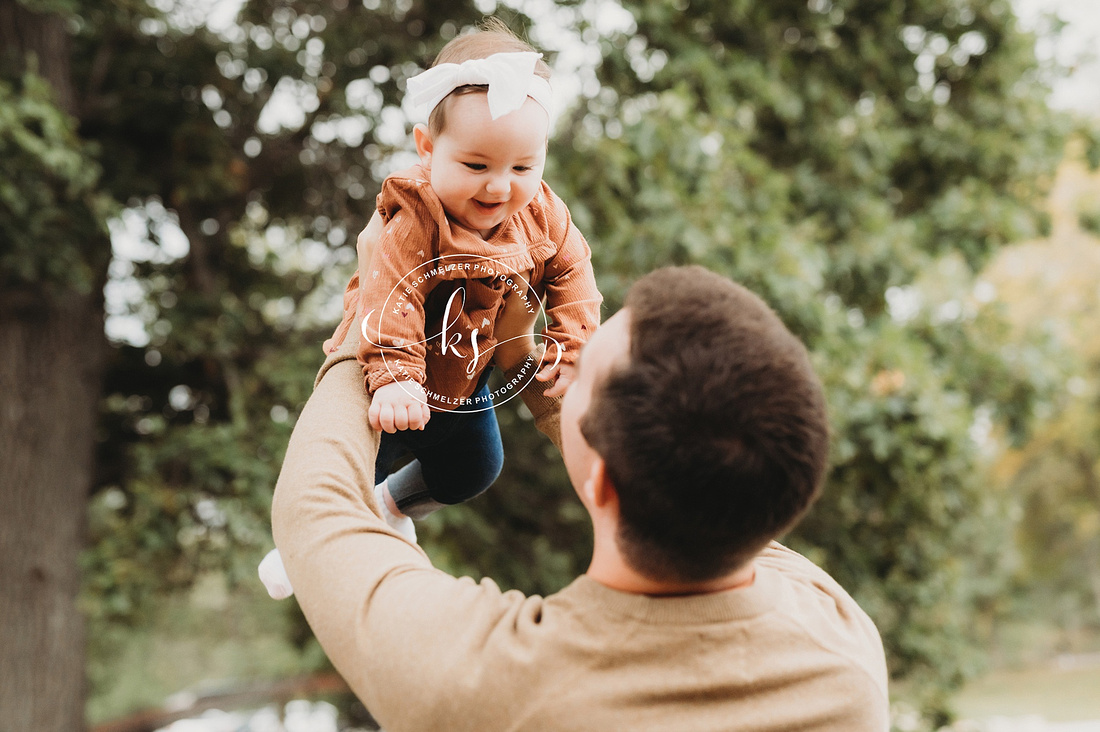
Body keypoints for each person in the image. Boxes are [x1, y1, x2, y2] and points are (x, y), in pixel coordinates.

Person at [271, 265, 890, 730]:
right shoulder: (842, 649)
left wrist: (376, 320)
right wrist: (519, 356)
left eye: (582, 366)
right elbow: (671, 471)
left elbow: (317, 509)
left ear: (600, 482)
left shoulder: (499, 689)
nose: (565, 358)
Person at [259, 22, 602, 597]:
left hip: (463, 377)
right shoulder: (415, 214)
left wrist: (571, 345)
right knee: (347, 463)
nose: (499, 187)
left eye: (522, 167)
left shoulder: (544, 214)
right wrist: (394, 378)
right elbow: (390, 295)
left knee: (476, 468)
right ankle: (305, 545)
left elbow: (574, 275)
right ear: (427, 148)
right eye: (476, 166)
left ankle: (392, 506)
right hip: (388, 376)